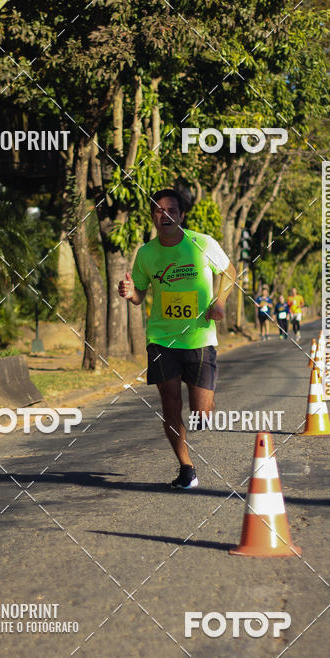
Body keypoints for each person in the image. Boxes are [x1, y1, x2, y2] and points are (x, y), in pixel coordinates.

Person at [118, 189, 235, 490]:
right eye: (158, 210)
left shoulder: (202, 243)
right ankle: (186, 468)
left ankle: (206, 404)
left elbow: (230, 271)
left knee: (200, 416)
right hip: (161, 337)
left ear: (182, 215)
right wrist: (131, 293)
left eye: (171, 209)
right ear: (153, 217)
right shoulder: (146, 254)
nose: (164, 214)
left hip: (198, 336)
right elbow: (139, 294)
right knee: (170, 403)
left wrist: (219, 301)